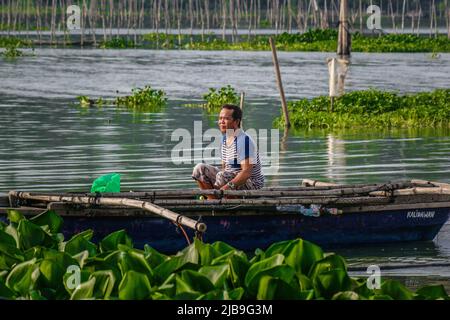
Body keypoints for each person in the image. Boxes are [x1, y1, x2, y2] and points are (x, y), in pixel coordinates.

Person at [192, 104, 264, 196]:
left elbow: (246, 173)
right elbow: (225, 168)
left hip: (252, 185)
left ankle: (225, 201)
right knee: (199, 169)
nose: (221, 122)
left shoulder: (244, 141)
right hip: (230, 179)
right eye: (220, 118)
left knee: (222, 176)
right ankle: (212, 201)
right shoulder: (224, 139)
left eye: (226, 119)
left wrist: (227, 187)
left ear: (236, 121)